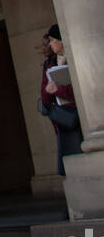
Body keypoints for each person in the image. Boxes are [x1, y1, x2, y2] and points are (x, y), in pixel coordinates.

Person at [40, 23, 83, 177]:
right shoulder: (49, 64)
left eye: (52, 40)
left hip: (80, 117)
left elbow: (81, 90)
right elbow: (45, 96)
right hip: (64, 119)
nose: (50, 44)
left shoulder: (76, 58)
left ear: (61, 40)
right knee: (70, 164)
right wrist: (48, 91)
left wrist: (59, 90)